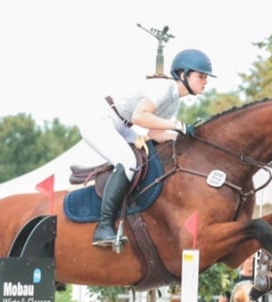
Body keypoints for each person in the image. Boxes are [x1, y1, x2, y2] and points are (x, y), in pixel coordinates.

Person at [78, 49, 215, 248]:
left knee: (148, 157)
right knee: (128, 162)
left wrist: (183, 138)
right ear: (184, 75)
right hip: (101, 119)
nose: (205, 81)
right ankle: (103, 227)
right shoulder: (164, 88)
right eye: (201, 76)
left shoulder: (174, 102)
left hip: (123, 126)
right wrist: (177, 126)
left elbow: (154, 134)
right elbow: (139, 117)